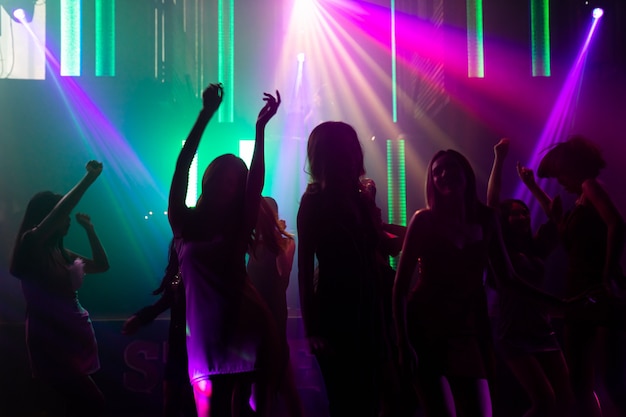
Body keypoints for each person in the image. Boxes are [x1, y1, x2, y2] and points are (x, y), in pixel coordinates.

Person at [393, 149, 564, 417]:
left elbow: (508, 278)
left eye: (450, 167)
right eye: (437, 171)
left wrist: (560, 303)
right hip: (425, 328)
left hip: (466, 329)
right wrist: (403, 344)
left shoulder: (486, 218)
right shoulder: (423, 220)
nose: (444, 174)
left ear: (466, 173)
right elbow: (400, 288)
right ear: (431, 181)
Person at [167, 83, 281, 417]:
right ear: (208, 180)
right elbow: (181, 168)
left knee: (249, 409)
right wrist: (205, 115)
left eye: (234, 181)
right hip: (205, 335)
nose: (224, 185)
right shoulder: (183, 223)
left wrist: (260, 131)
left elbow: (256, 182)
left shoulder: (238, 226)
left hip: (246, 325)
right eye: (219, 177)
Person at [297, 121, 396, 417]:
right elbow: (304, 268)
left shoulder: (359, 198)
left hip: (371, 310)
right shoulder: (314, 201)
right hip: (336, 312)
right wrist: (312, 328)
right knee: (346, 400)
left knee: (369, 399)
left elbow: (375, 247)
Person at [9, 161, 109, 417]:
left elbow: (101, 265)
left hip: (71, 342)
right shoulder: (31, 244)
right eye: (62, 217)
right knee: (92, 405)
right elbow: (61, 210)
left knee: (78, 407)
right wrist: (89, 179)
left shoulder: (59, 252)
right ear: (49, 218)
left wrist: (91, 230)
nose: (67, 221)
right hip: (52, 342)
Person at [537, 135, 626, 417]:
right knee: (583, 379)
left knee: (597, 375)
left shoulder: (590, 186)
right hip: (580, 293)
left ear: (573, 167)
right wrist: (531, 187)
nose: (559, 182)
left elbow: (617, 224)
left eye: (560, 174)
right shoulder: (580, 199)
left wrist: (607, 273)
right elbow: (566, 232)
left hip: (590, 294)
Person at [487, 138, 574, 417]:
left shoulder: (536, 247)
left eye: (524, 213)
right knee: (545, 401)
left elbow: (557, 217)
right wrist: (499, 159)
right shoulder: (501, 249)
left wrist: (532, 187)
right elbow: (491, 205)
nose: (523, 217)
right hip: (513, 332)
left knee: (565, 399)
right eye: (515, 215)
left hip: (541, 328)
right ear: (505, 221)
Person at [122, 239, 196, 417]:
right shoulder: (180, 270)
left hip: (197, 344)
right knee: (174, 398)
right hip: (181, 344)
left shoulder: (199, 264)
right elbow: (168, 299)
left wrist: (141, 318)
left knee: (188, 400)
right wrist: (141, 318)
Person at [246, 196, 303, 417]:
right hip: (254, 309)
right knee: (265, 379)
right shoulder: (252, 241)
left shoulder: (284, 241)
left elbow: (284, 274)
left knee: (277, 374)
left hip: (272, 307)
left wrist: (277, 241)